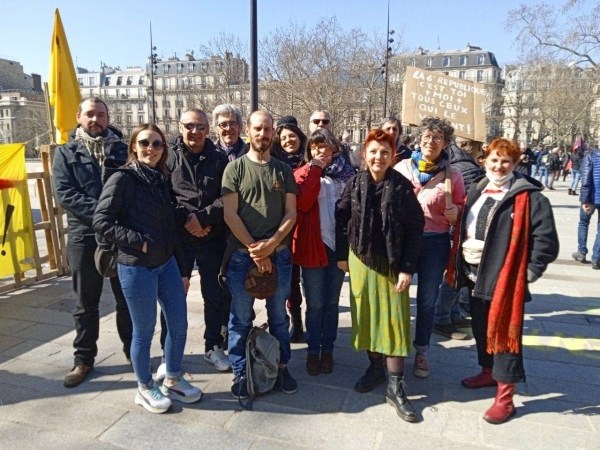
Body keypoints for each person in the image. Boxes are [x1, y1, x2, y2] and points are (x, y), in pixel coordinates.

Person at [93, 123, 202, 413]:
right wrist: (139, 242)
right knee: (144, 330)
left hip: (165, 264)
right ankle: (143, 387)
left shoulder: (161, 178)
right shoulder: (122, 178)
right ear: (134, 147)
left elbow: (166, 221)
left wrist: (182, 265)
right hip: (136, 266)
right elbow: (101, 221)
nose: (150, 149)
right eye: (144, 143)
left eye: (156, 144)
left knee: (178, 324)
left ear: (163, 149)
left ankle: (173, 378)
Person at [452, 138, 558, 424]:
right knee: (481, 328)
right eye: (494, 160)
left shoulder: (530, 196)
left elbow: (546, 242)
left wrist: (527, 275)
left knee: (503, 337)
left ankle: (505, 398)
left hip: (505, 281)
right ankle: (488, 372)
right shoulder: (478, 188)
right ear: (484, 160)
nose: (499, 166)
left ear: (515, 163)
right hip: (475, 275)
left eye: (505, 161)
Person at [336, 129, 425, 422]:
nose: (378, 157)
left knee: (393, 323)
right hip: (360, 261)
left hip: (391, 264)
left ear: (392, 156)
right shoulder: (355, 183)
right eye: (373, 151)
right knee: (367, 317)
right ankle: (374, 368)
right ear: (365, 153)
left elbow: (415, 228)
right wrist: (341, 255)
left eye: (384, 152)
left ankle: (396, 387)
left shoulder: (401, 187)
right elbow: (341, 217)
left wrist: (407, 268)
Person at [52, 97, 133, 388]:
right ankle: (83, 359)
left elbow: (134, 190)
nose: (95, 120)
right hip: (84, 238)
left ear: (108, 118)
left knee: (126, 300)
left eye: (101, 114)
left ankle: (132, 352)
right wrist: (104, 215)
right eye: (90, 114)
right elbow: (66, 195)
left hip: (120, 238)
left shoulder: (124, 151)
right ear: (78, 117)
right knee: (85, 304)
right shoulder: (65, 153)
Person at [222, 110, 298, 399]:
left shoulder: (283, 169)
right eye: (258, 128)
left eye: (268, 129)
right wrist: (257, 250)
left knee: (279, 317)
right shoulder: (235, 169)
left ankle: (280, 366)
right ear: (248, 132)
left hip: (278, 256)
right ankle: (241, 371)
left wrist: (273, 243)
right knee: (240, 318)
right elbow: (230, 214)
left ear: (273, 134)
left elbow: (291, 213)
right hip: (243, 258)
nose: (263, 134)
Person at [394, 117, 465, 379]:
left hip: (434, 243)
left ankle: (421, 351)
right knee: (396, 296)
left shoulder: (452, 175)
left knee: (426, 301)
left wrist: (454, 211)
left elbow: (460, 209)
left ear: (445, 143)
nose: (430, 142)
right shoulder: (402, 168)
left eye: (437, 138)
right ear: (419, 139)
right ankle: (395, 348)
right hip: (403, 241)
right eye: (426, 136)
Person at [164, 108, 231, 373]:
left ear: (208, 129)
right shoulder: (167, 157)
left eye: (201, 126)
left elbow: (227, 197)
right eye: (190, 126)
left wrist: (203, 219)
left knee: (214, 295)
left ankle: (213, 346)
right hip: (179, 239)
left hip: (212, 236)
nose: (195, 131)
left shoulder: (218, 159)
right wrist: (188, 220)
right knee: (173, 295)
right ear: (180, 127)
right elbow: (163, 196)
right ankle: (169, 351)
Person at [294, 129, 354, 376]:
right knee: (315, 304)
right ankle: (312, 351)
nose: (321, 151)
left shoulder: (348, 174)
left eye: (325, 147)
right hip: (313, 247)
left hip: (337, 248)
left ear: (335, 149)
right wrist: (316, 169)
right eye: (315, 147)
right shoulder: (302, 173)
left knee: (331, 304)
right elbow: (304, 202)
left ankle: (327, 350)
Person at [432, 137, 483, 340]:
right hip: (460, 229)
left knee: (456, 276)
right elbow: (472, 201)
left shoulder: (459, 163)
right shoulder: (468, 168)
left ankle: (451, 314)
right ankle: (442, 318)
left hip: (457, 228)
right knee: (455, 277)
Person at [271, 116, 308, 342]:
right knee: (289, 279)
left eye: (292, 136)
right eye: (283, 137)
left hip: (308, 226)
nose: (288, 141)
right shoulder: (274, 163)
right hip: (284, 228)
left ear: (299, 137)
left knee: (309, 279)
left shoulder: (308, 158)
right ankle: (295, 320)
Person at [573, 145, 600, 269]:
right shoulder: (590, 156)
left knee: (583, 223)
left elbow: (586, 179)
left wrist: (584, 199)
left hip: (591, 197)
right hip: (593, 196)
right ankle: (596, 259)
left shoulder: (590, 157)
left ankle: (581, 252)